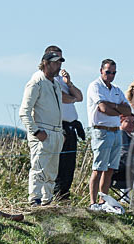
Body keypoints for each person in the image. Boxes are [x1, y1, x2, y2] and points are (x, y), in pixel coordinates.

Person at [20, 51, 65, 207]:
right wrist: (36, 132)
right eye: (55, 62)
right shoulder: (35, 82)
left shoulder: (55, 83)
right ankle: (35, 200)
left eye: (60, 63)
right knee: (39, 168)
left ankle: (47, 200)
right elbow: (24, 112)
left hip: (56, 132)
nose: (58, 66)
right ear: (45, 63)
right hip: (43, 131)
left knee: (52, 171)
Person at [86, 58, 132, 210]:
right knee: (98, 168)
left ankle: (103, 201)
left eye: (113, 72)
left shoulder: (117, 90)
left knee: (110, 169)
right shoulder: (95, 86)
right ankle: (93, 202)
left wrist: (113, 107)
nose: (110, 75)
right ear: (101, 71)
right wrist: (117, 109)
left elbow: (128, 111)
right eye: (108, 72)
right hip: (101, 130)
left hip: (115, 130)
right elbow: (103, 108)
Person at [44, 45, 84, 203]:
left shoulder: (62, 79)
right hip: (57, 126)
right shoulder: (47, 79)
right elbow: (61, 97)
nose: (59, 62)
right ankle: (52, 195)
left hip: (70, 126)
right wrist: (71, 97)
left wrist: (69, 84)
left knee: (69, 164)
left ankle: (64, 195)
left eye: (61, 59)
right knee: (57, 164)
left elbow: (79, 96)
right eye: (55, 59)